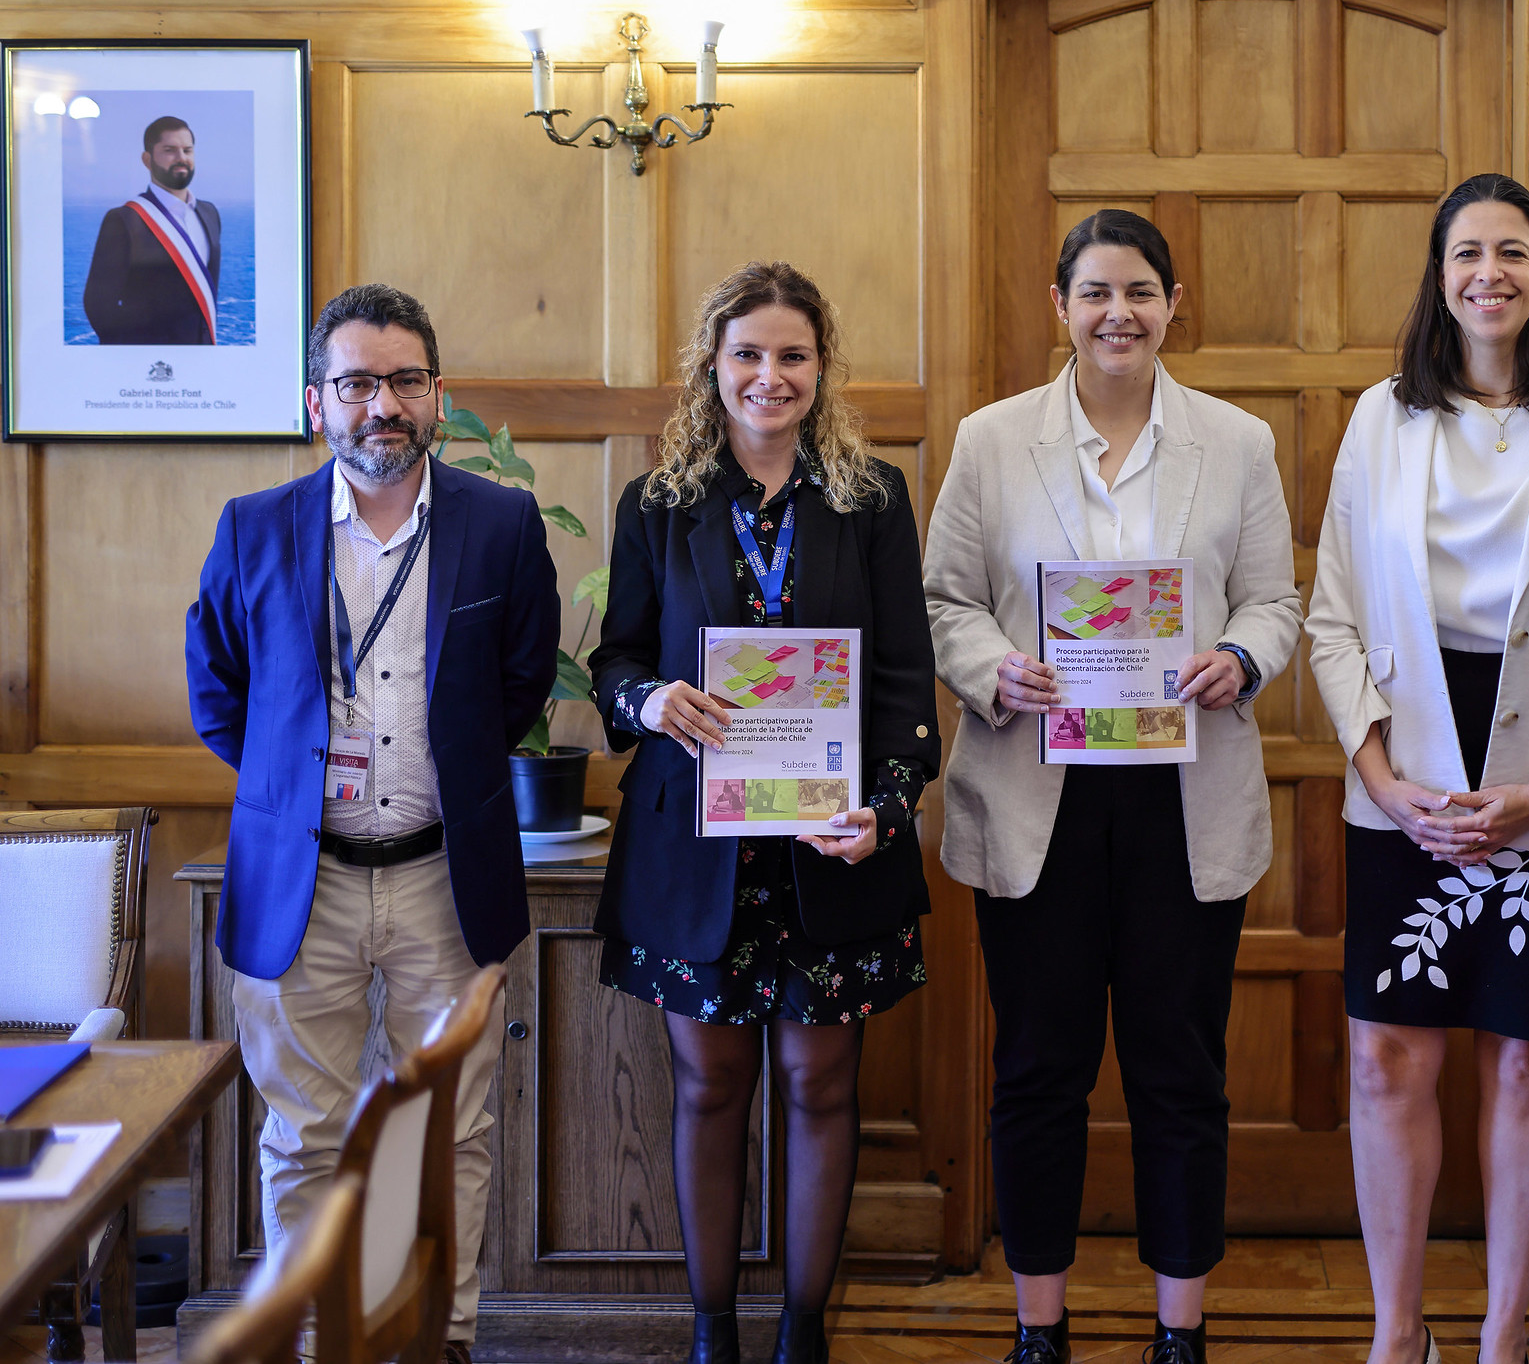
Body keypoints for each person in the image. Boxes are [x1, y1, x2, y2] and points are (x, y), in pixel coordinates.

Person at [924, 209, 1301, 1364]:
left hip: (1182, 802)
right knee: (1037, 1068)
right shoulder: (990, 442)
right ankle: (1039, 1326)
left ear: (1173, 304)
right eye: (1093, 292)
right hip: (1036, 792)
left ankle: (1177, 1331)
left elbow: (1273, 604)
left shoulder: (1235, 443)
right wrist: (1003, 671)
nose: (1116, 313)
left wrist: (1236, 658)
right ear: (1060, 307)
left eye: (1138, 291)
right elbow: (945, 601)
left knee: (1178, 1070)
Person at [185, 283, 560, 1364]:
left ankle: (433, 1338)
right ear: (318, 401)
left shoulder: (500, 523)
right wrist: (291, 792)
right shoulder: (254, 528)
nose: (380, 404)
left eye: (403, 380)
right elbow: (218, 691)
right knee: (303, 1135)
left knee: (448, 1134)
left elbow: (522, 682)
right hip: (303, 882)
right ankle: (322, 1344)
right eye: (356, 382)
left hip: (447, 876)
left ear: (436, 395)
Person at [1303, 173, 1529, 1364]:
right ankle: (1398, 1333)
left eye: (1510, 250)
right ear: (1437, 278)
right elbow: (1330, 619)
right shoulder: (1380, 416)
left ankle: (1502, 1334)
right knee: (1388, 1058)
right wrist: (1382, 779)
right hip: (1411, 779)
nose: (1486, 271)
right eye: (1462, 254)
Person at [587, 261, 939, 1364]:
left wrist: (884, 810)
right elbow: (615, 663)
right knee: (708, 1083)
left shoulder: (870, 498)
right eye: (747, 353)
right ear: (713, 364)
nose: (768, 375)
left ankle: (802, 1333)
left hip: (829, 848)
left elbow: (899, 680)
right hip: (693, 853)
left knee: (816, 1083)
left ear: (821, 368)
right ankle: (710, 1333)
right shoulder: (657, 503)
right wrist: (648, 698)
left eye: (792, 355)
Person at [84, 115, 223, 345]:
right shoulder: (123, 219)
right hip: (149, 367)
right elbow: (98, 305)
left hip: (202, 363)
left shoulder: (209, 214)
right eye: (170, 150)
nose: (181, 158)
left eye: (187, 150)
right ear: (147, 159)